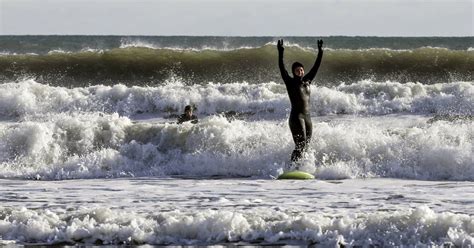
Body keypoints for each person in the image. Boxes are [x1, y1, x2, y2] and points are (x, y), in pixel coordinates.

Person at [277, 39, 323, 163]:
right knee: (300, 145)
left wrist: (320, 52)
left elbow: (315, 67)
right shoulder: (290, 82)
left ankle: (299, 167)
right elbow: (282, 69)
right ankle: (292, 167)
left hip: (307, 118)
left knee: (306, 146)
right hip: (296, 117)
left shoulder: (308, 80)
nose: (300, 71)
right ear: (293, 72)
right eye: (297, 70)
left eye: (301, 69)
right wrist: (280, 53)